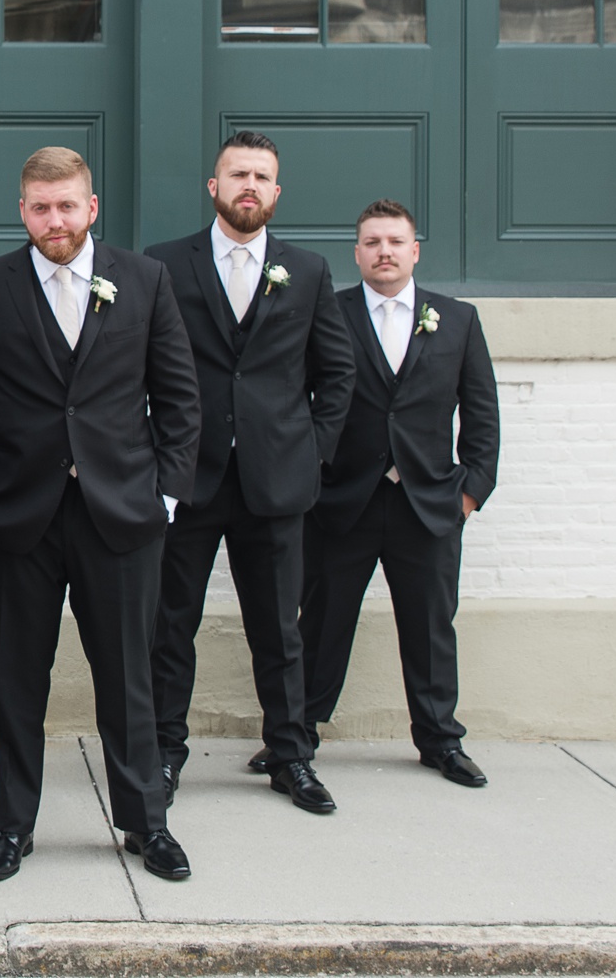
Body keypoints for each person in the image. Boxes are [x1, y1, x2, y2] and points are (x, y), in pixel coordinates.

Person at [0, 147, 203, 885]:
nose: (53, 219)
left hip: (121, 513)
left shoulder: (145, 279)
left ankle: (146, 821)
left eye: (66, 205)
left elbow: (179, 396)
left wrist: (165, 492)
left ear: (91, 207)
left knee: (129, 676)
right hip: (15, 515)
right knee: (16, 678)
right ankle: (12, 825)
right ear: (21, 209)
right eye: (38, 205)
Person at [145, 132, 357, 814]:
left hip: (276, 481)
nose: (250, 185)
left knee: (279, 628)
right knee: (171, 621)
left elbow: (338, 371)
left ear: (276, 192)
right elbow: (137, 368)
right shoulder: (164, 264)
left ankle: (291, 754)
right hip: (190, 475)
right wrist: (156, 455)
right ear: (214, 187)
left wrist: (312, 449)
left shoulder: (310, 268)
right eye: (238, 173)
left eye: (262, 176)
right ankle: (164, 750)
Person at [302, 199, 501, 788]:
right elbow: (300, 401)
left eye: (394, 241)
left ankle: (440, 740)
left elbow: (482, 414)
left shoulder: (457, 319)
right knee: (321, 621)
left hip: (430, 505)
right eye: (371, 242)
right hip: (345, 503)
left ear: (414, 251)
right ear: (357, 252)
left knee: (431, 625)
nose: (383, 251)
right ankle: (297, 736)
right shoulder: (329, 315)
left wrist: (469, 494)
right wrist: (311, 483)